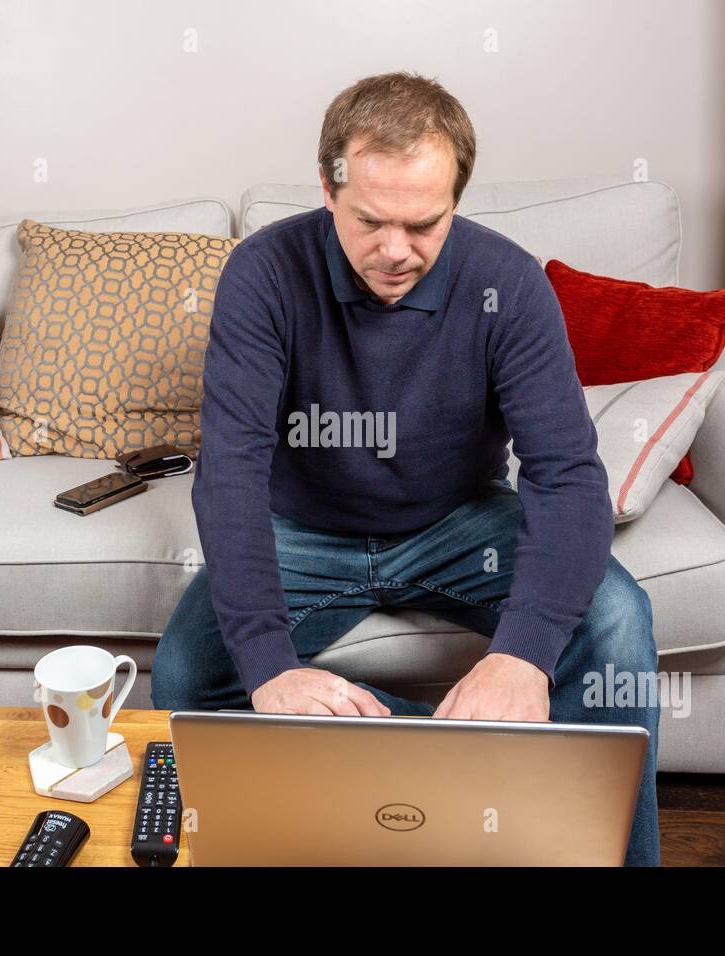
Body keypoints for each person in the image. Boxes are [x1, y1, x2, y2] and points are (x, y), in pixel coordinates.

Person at [152, 71, 660, 865]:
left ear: (457, 196)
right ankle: (453, 782)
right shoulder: (262, 275)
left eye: (425, 224)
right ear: (328, 187)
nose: (396, 252)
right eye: (370, 222)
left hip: (456, 525)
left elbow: (566, 474)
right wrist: (270, 666)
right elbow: (232, 471)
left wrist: (522, 656)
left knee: (619, 619)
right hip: (302, 530)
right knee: (189, 676)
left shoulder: (509, 284)